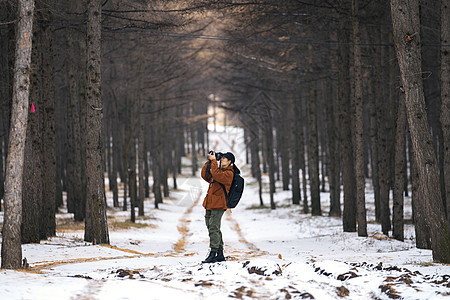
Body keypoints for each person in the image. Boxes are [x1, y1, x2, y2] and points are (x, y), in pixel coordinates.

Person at [200, 151, 237, 263]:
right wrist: (210, 161)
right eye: (221, 158)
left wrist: (214, 161)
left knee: (213, 227)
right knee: (212, 227)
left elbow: (216, 175)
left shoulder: (229, 174)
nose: (221, 160)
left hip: (219, 204)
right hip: (210, 203)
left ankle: (213, 252)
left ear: (230, 162)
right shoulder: (219, 170)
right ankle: (220, 253)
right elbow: (205, 175)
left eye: (224, 159)